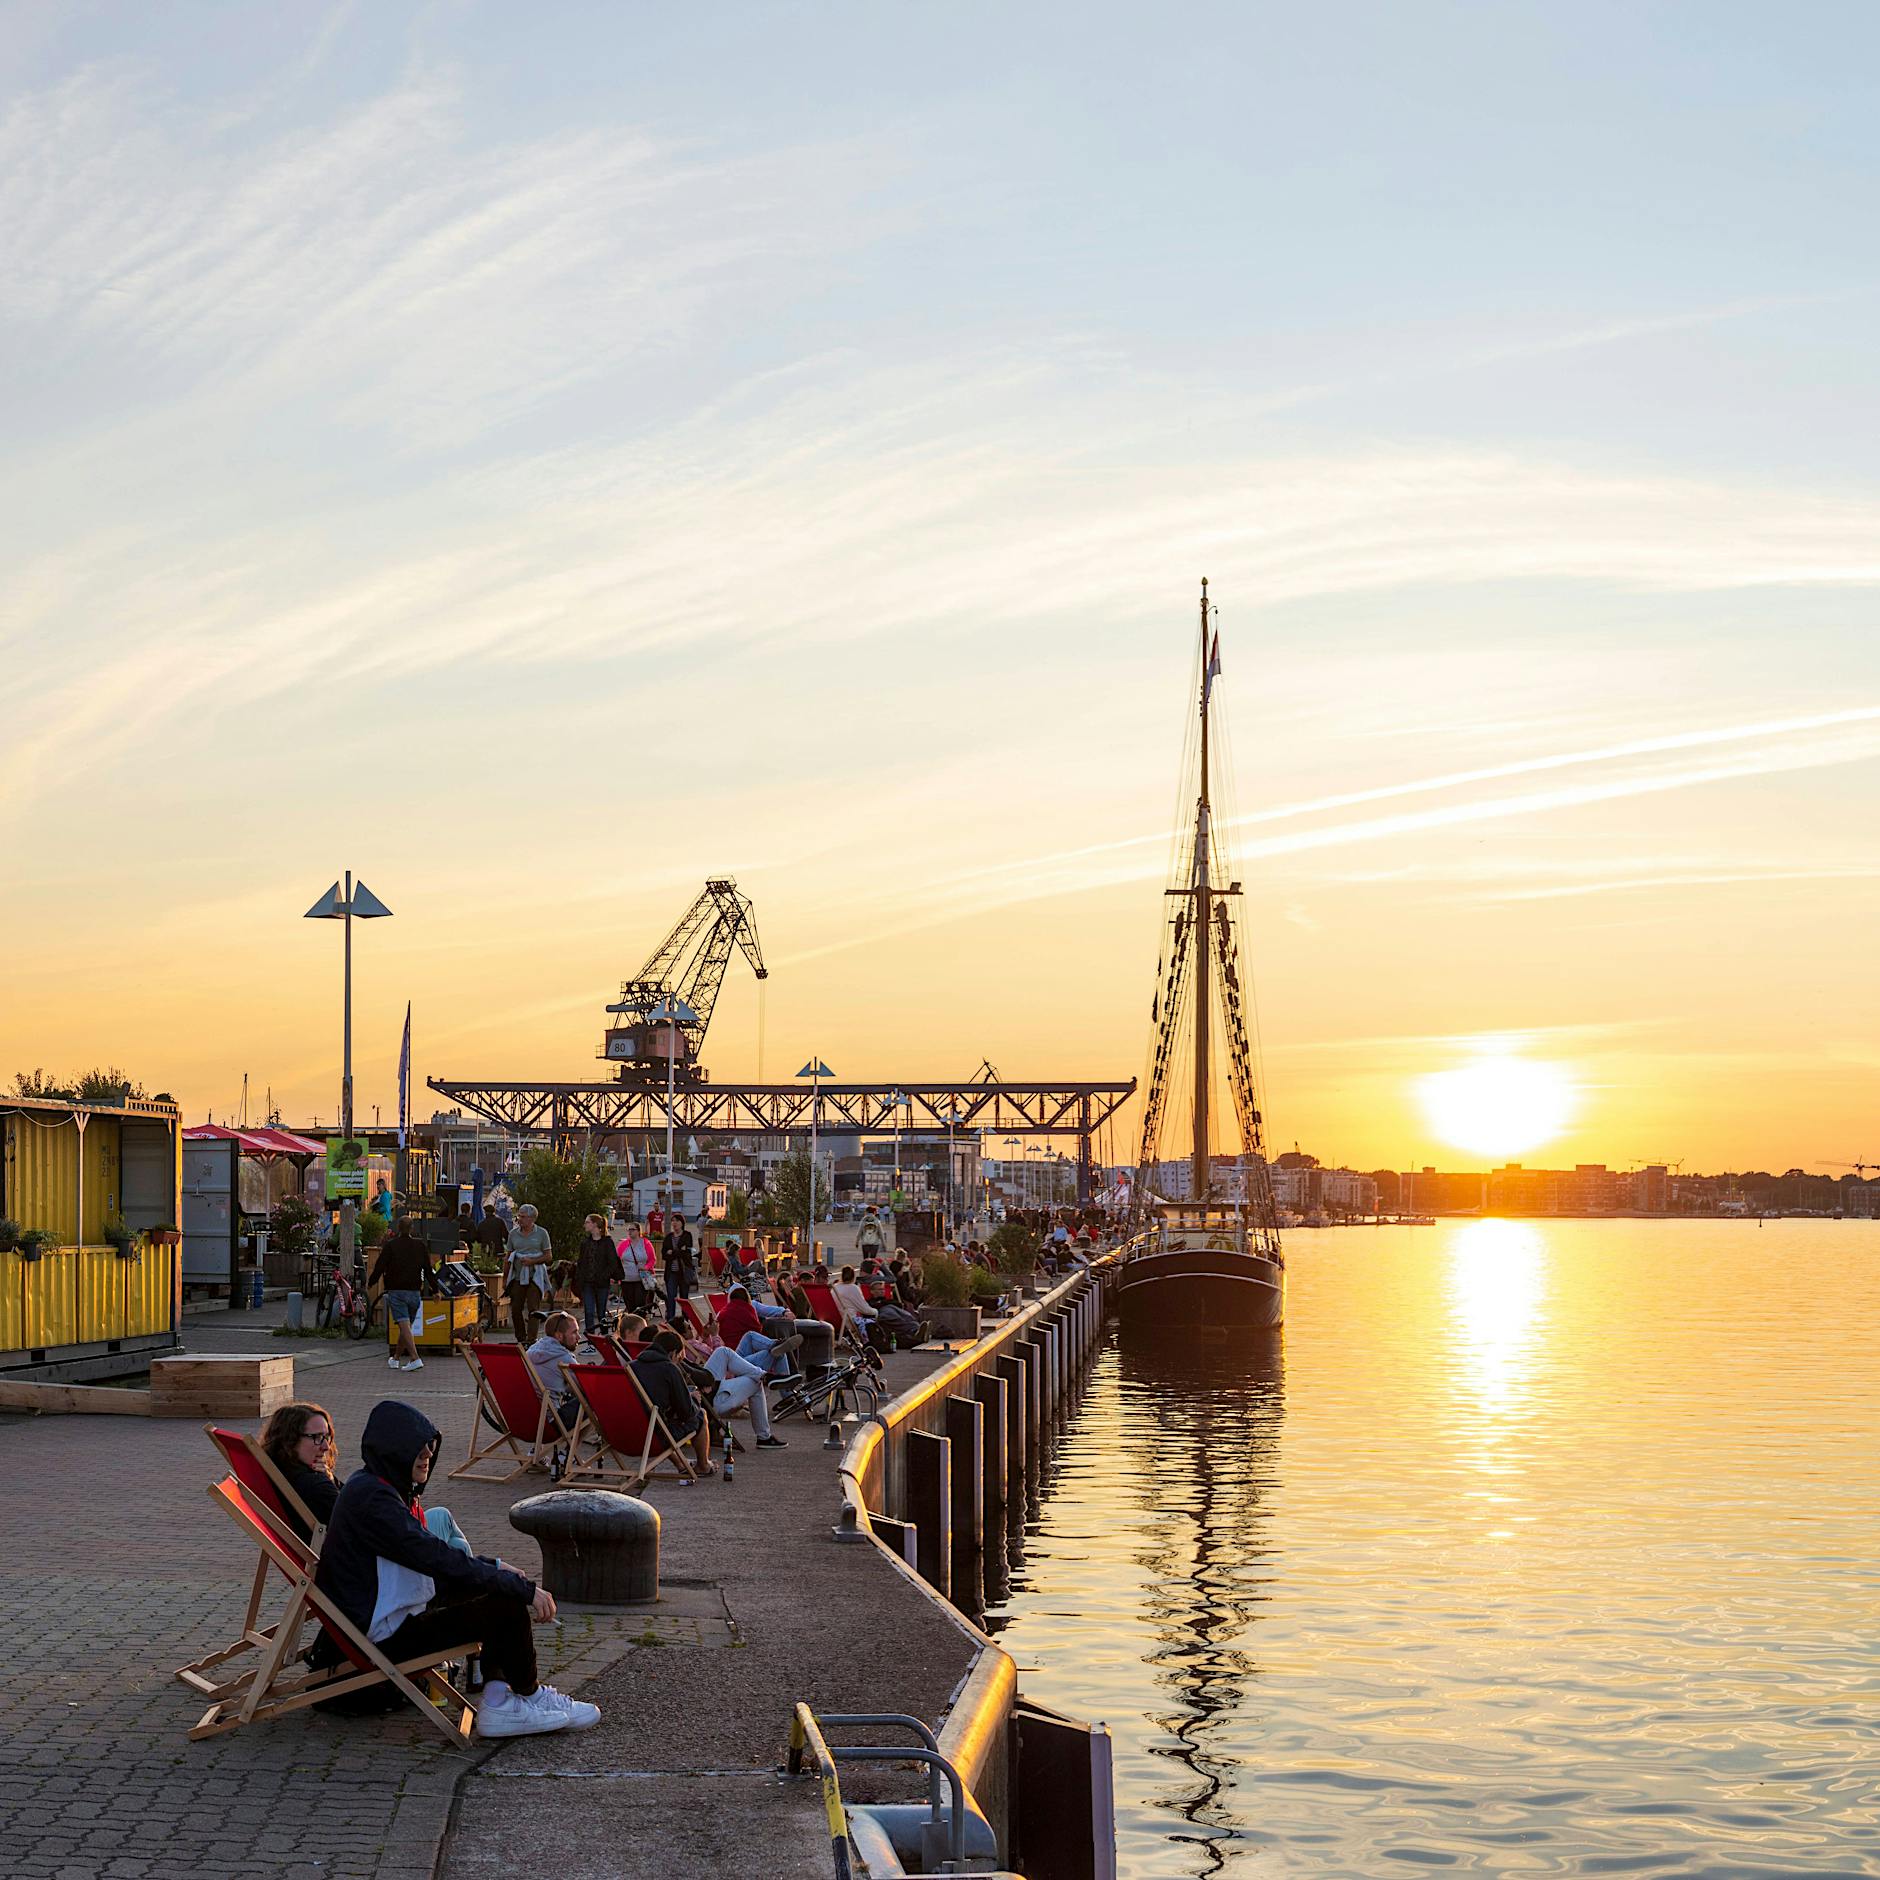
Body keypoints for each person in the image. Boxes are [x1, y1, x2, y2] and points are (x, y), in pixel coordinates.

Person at [311, 1399, 597, 1738]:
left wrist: (495, 1568)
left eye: (429, 1451)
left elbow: (431, 1556)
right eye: (418, 1452)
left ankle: (500, 1699)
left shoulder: (375, 1488)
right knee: (504, 1603)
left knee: (498, 1589)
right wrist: (520, 1587)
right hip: (383, 1638)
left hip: (387, 1617)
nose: (427, 1458)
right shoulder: (374, 1501)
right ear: (394, 1453)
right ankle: (527, 1695)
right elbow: (434, 1557)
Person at [629, 1329, 715, 1475]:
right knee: (700, 1414)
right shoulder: (669, 1369)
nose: (677, 1362)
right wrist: (693, 1398)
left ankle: (681, 1464)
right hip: (655, 1438)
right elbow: (687, 1414)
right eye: (678, 1358)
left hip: (629, 1433)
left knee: (658, 1419)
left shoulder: (632, 1366)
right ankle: (703, 1465)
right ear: (672, 1353)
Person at [259, 1400, 340, 1541]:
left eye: (326, 1436)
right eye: (317, 1437)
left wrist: (330, 1478)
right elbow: (355, 1521)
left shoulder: (273, 1471)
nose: (326, 1446)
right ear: (290, 1439)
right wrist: (327, 1480)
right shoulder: (315, 1485)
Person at [370, 1213, 434, 1372]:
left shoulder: (391, 1246)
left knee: (404, 1326)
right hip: (414, 1292)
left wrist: (371, 1282)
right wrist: (436, 1289)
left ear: (398, 1228)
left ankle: (415, 1358)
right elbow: (428, 1270)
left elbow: (379, 1266)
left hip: (397, 1291)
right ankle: (396, 1358)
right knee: (406, 1327)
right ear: (412, 1228)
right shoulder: (420, 1246)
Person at [704, 1341, 786, 1447]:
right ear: (674, 1353)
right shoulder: (677, 1367)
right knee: (756, 1382)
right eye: (688, 1327)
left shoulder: (679, 1363)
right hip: (707, 1399)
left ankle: (765, 1375)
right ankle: (764, 1437)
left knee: (723, 1351)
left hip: (706, 1386)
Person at [524, 1311, 587, 1432]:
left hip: (524, 1420)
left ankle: (536, 1450)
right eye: (574, 1332)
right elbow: (585, 1387)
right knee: (594, 1401)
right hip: (550, 1424)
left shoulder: (531, 1350)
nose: (579, 1337)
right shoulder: (563, 1358)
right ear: (559, 1336)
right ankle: (569, 1450)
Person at [505, 1204, 553, 1346]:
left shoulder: (541, 1233)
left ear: (532, 1219)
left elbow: (548, 1256)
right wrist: (504, 1278)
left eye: (523, 1216)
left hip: (534, 1276)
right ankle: (520, 1338)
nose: (519, 1219)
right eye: (519, 1216)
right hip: (518, 1277)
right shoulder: (513, 1234)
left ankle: (531, 1340)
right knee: (515, 1309)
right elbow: (508, 1256)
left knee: (533, 1309)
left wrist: (533, 1261)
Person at [573, 1214, 623, 1335]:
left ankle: (604, 1337)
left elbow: (612, 1263)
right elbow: (581, 1263)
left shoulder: (607, 1242)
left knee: (601, 1312)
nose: (585, 1225)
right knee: (589, 1312)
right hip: (587, 1283)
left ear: (595, 1224)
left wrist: (604, 1276)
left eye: (587, 1222)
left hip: (602, 1283)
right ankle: (591, 1339)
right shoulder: (585, 1242)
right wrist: (580, 1279)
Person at [662, 1213, 697, 1323]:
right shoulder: (668, 1237)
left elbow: (687, 1253)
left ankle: (685, 1322)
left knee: (684, 1298)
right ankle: (671, 1321)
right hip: (671, 1272)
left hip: (683, 1271)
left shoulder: (687, 1235)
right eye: (673, 1221)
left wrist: (672, 1252)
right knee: (671, 1297)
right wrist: (678, 1251)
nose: (674, 1223)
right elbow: (663, 1255)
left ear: (682, 1223)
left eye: (677, 1221)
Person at [618, 1220, 655, 1314]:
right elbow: (616, 1259)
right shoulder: (623, 1244)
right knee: (630, 1305)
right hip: (626, 1279)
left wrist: (646, 1267)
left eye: (632, 1229)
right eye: (628, 1229)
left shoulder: (646, 1243)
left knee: (640, 1304)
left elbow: (652, 1259)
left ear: (638, 1231)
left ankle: (641, 1324)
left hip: (641, 1279)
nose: (630, 1232)